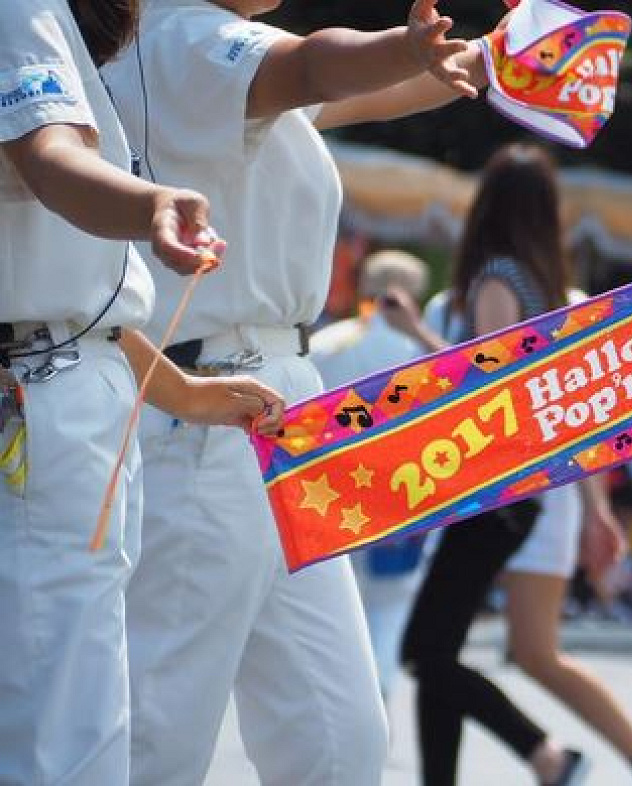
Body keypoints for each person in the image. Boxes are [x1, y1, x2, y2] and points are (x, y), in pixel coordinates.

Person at [100, 1, 495, 782]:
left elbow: (365, 84)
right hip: (209, 410)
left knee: (337, 734)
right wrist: (410, 44)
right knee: (159, 731)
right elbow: (320, 65)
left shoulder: (214, 53)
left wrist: (495, 53)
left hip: (267, 405)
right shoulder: (185, 38)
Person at [0, 1, 285, 782]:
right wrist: (150, 205)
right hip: (47, 402)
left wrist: (180, 390)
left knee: (63, 710)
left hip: (62, 383)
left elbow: (67, 304)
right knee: (64, 736)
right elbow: (49, 158)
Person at [396, 143, 632, 786]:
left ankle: (549, 756)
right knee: (443, 652)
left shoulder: (498, 279)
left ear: (487, 208)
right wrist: (598, 509)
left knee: (428, 650)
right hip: (526, 495)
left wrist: (416, 339)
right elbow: (572, 412)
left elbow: (487, 381)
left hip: (497, 491)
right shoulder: (547, 288)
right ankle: (586, 763)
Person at [309, 248, 433, 703]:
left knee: (343, 597)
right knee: (391, 602)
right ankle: (376, 684)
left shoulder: (328, 341)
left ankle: (346, 688)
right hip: (401, 484)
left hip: (332, 483)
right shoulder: (417, 347)